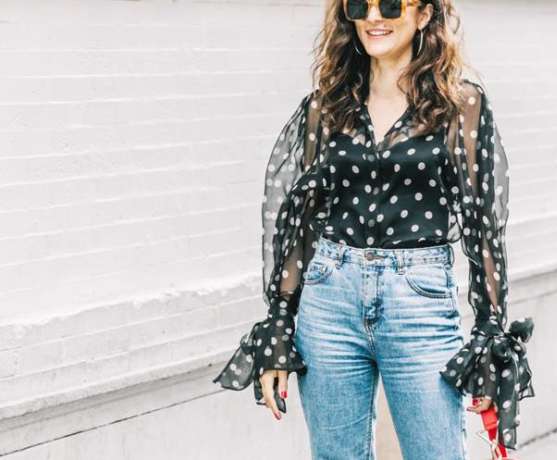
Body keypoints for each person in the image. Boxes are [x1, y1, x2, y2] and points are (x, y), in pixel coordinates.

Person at [212, 1, 535, 459]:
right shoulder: (328, 105)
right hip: (329, 298)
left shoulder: (459, 104)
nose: (374, 17)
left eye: (390, 4)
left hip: (418, 301)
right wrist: (280, 320)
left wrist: (489, 332)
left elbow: (483, 226)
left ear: (424, 15)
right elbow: (300, 217)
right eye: (360, 5)